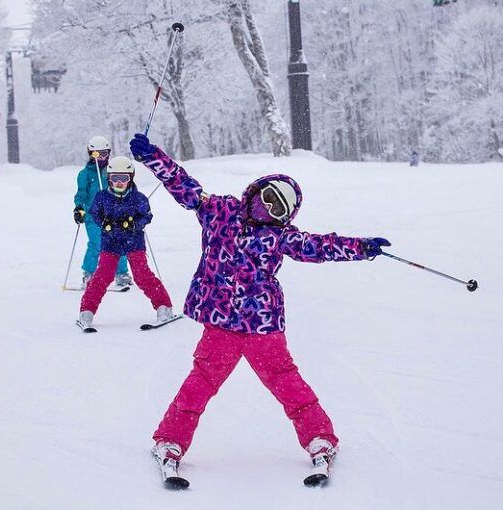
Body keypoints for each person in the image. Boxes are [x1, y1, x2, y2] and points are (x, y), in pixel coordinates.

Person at [129, 133, 391, 485]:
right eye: (268, 198)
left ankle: (319, 438)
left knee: (287, 383)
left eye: (278, 209)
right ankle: (170, 441)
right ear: (255, 190)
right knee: (199, 384)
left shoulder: (280, 237)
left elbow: (319, 246)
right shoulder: (219, 211)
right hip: (221, 324)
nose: (268, 209)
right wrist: (152, 158)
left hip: (261, 325)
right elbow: (184, 187)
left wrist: (361, 247)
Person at [77, 156, 175, 331]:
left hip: (133, 241)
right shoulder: (102, 197)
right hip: (110, 242)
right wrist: (104, 223)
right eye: (115, 178)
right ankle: (87, 311)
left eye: (124, 178)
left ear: (131, 178)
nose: (119, 182)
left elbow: (147, 216)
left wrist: (134, 224)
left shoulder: (139, 198)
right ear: (109, 178)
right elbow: (95, 214)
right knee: (102, 276)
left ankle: (163, 307)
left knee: (142, 275)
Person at [74, 136, 132, 289]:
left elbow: (123, 188)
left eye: (104, 154)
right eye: (96, 154)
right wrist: (79, 208)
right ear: (90, 154)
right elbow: (81, 194)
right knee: (96, 244)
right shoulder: (85, 174)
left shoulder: (113, 172)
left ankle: (121, 274)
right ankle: (89, 274)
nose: (100, 158)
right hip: (93, 216)